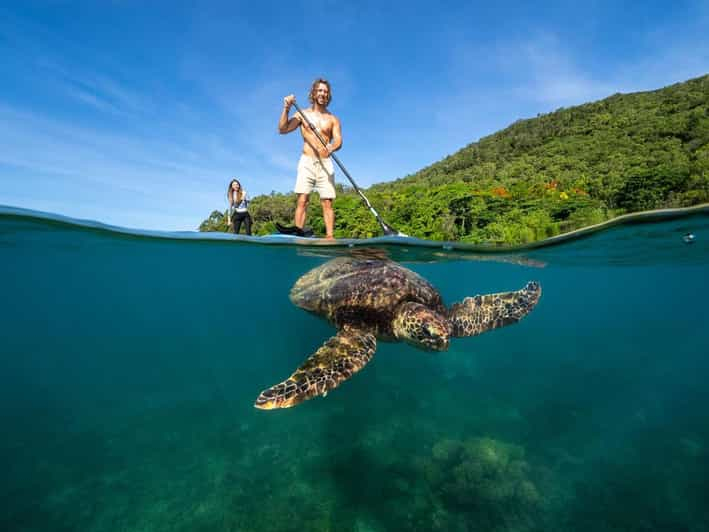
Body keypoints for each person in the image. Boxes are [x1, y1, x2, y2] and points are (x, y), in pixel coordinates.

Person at [278, 78, 342, 240]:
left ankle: (329, 237)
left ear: (329, 96)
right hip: (307, 160)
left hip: (325, 163)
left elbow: (339, 140)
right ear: (313, 93)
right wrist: (286, 108)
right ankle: (298, 234)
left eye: (326, 92)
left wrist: (332, 147)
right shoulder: (302, 114)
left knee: (327, 202)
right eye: (320, 90)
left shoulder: (333, 119)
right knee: (303, 199)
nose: (323, 94)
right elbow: (283, 129)